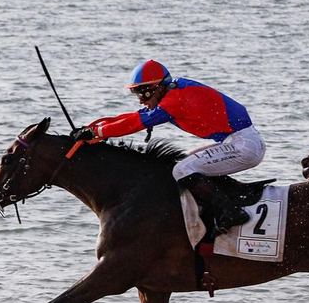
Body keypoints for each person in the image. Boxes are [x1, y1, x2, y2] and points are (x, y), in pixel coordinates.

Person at [79, 59, 265, 235]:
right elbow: (135, 116)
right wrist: (94, 129)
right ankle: (220, 202)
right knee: (183, 162)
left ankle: (230, 212)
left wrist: (98, 133)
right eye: (136, 93)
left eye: (143, 93)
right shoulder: (173, 92)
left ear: (158, 87)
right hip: (236, 141)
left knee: (182, 170)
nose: (141, 99)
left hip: (244, 145)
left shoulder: (176, 100)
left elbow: (138, 123)